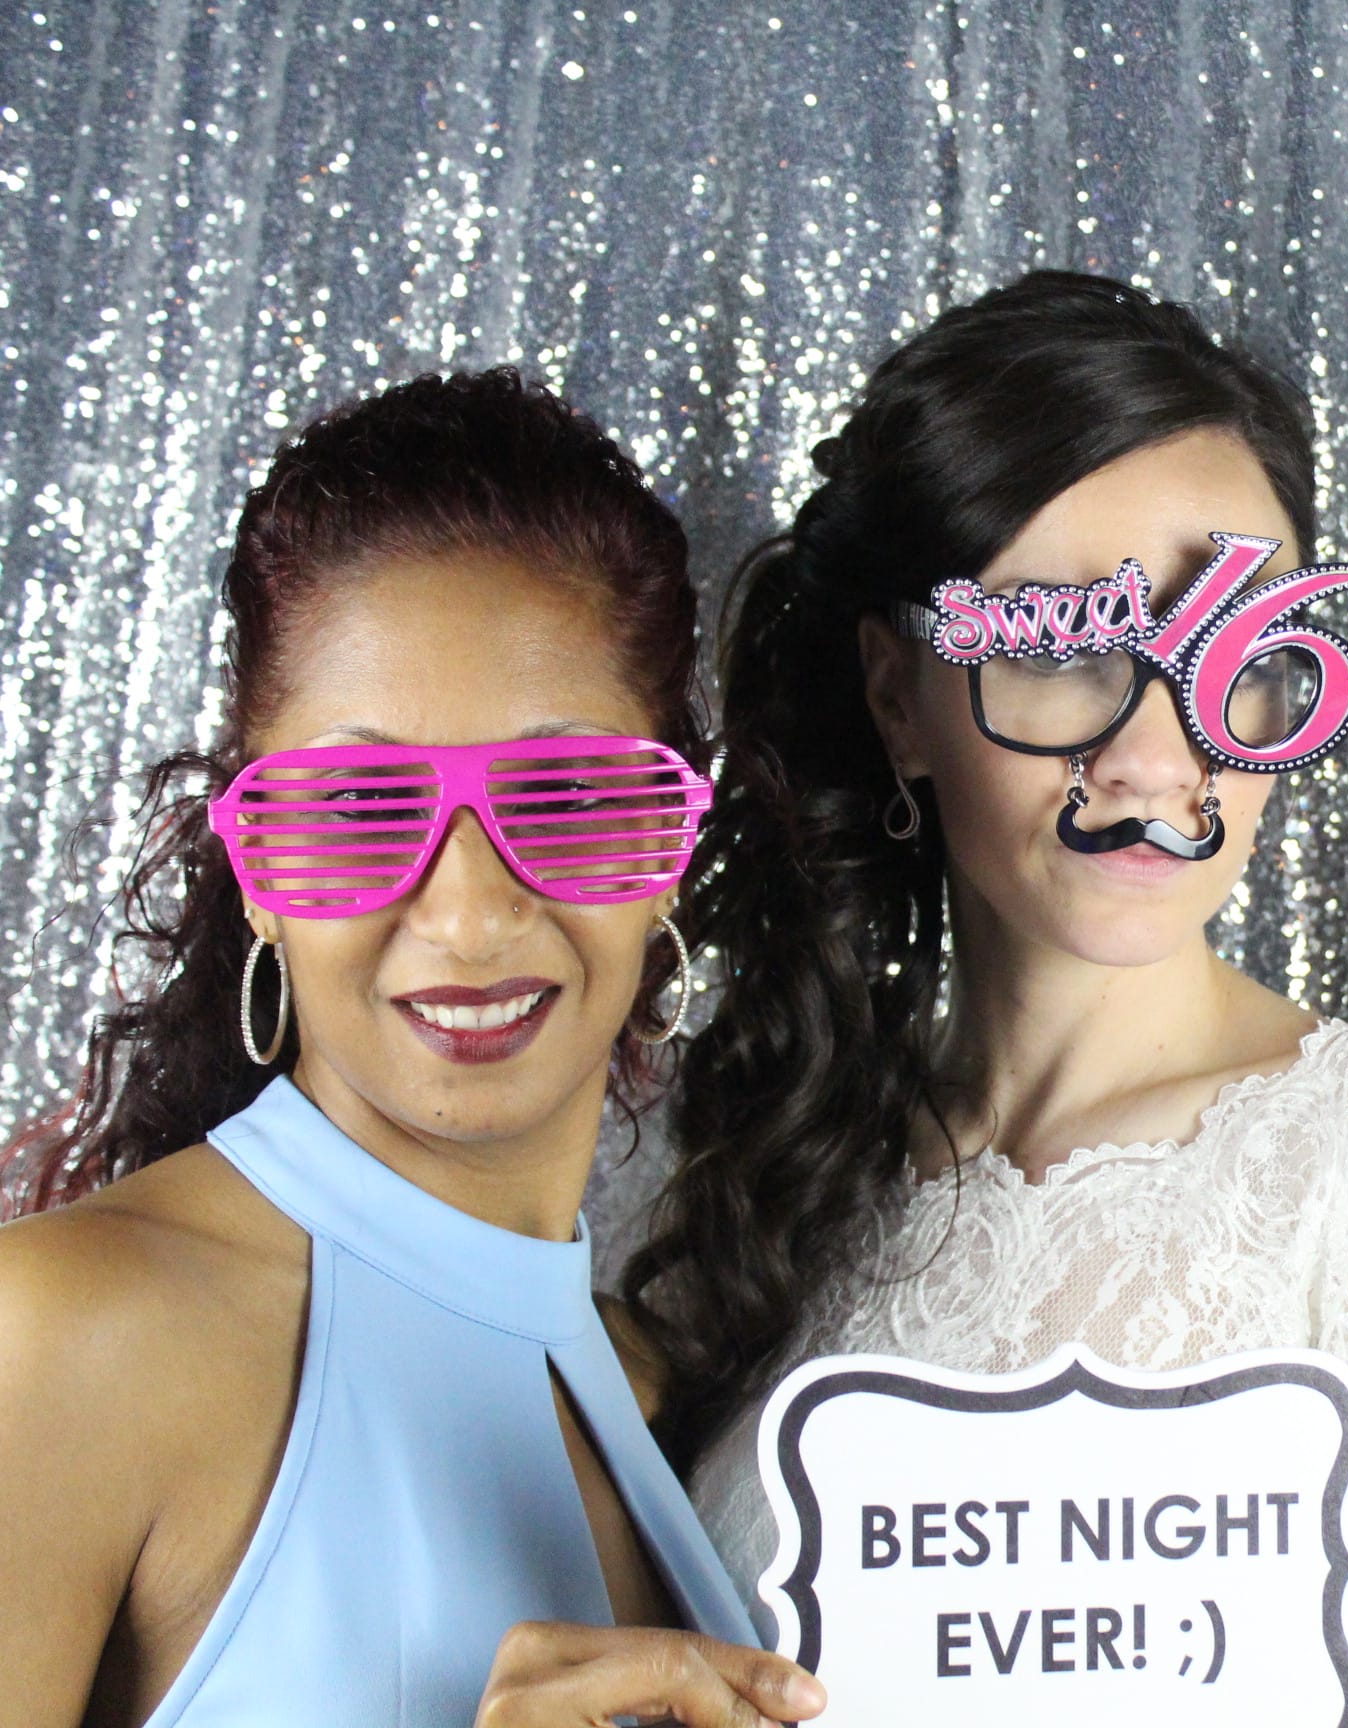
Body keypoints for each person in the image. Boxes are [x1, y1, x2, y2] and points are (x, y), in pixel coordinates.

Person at [623, 270, 1348, 1725]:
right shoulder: (779, 1173)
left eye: (1241, 657)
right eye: (1067, 650)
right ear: (896, 697)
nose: (1156, 759)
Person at [0, 371, 823, 1727]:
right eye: (361, 807)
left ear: (672, 849)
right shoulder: (65, 1336)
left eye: (565, 796)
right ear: (256, 868)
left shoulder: (669, 1394)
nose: (469, 913)